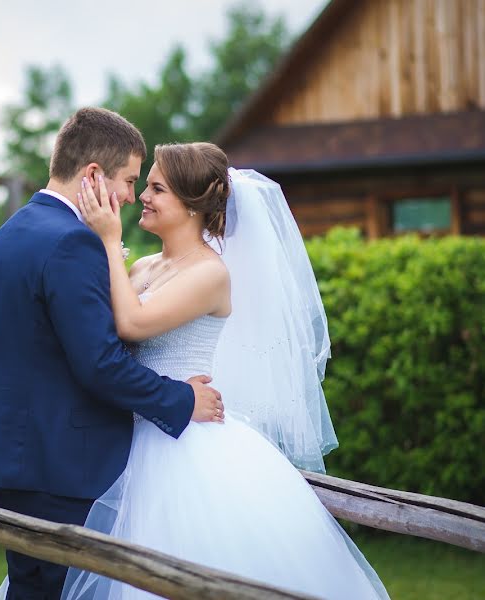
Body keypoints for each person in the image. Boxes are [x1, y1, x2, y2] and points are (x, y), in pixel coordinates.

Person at [56, 142, 388, 599]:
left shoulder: (211, 274)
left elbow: (132, 322)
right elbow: (110, 338)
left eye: (157, 189)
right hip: (132, 428)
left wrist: (109, 241)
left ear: (192, 206)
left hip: (183, 443)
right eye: (146, 185)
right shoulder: (148, 266)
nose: (143, 197)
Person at [0, 108, 225, 600]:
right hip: (62, 464)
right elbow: (100, 364)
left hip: (14, 456)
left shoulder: (10, 233)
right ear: (93, 175)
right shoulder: (72, 243)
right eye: (131, 180)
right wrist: (181, 400)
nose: (132, 197)